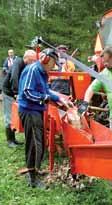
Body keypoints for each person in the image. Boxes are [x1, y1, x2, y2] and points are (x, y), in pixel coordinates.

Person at [18, 48, 72, 188]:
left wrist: (59, 98)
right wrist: (46, 98)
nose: (53, 66)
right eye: (53, 62)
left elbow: (45, 90)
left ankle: (35, 169)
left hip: (36, 110)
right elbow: (27, 93)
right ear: (46, 59)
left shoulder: (42, 72)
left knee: (40, 142)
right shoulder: (33, 70)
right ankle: (32, 178)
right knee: (35, 144)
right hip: (29, 111)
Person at [2, 50, 37, 148]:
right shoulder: (18, 62)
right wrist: (16, 93)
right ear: (26, 58)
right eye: (32, 60)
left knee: (15, 116)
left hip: (15, 92)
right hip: (9, 92)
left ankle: (14, 140)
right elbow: (14, 77)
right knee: (9, 115)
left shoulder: (26, 65)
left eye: (35, 61)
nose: (33, 63)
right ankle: (10, 141)